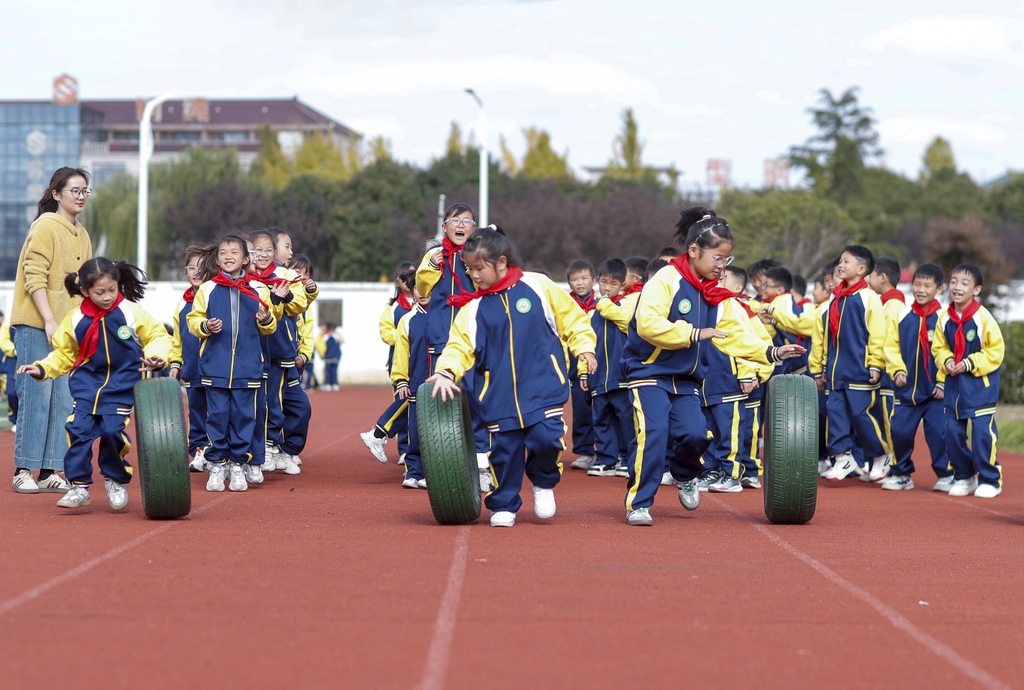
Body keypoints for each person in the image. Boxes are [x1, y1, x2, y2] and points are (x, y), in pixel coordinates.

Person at [619, 208, 804, 526]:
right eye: (717, 258)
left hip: (687, 380)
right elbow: (646, 324)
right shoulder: (666, 279)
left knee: (696, 435)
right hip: (647, 372)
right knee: (655, 431)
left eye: (726, 260)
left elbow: (735, 337)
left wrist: (772, 352)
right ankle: (639, 504)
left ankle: (684, 473)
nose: (722, 266)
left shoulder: (717, 296)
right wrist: (691, 334)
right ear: (694, 251)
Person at [426, 229, 597, 528]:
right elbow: (458, 346)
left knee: (546, 439)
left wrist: (583, 347)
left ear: (501, 262)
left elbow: (572, 317)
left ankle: (543, 482)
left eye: (479, 268)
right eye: (469, 269)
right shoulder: (473, 308)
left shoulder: (537, 285)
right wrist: (445, 371)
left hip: (544, 386)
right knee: (504, 453)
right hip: (497, 396)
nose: (473, 275)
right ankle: (504, 503)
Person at [16, 258, 171, 510]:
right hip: (87, 386)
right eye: (100, 292)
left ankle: (114, 479)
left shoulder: (131, 312)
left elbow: (156, 335)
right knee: (78, 433)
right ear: (85, 291)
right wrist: (42, 367)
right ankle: (78, 486)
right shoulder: (75, 319)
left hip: (122, 386)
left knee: (112, 432)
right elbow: (64, 354)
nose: (108, 296)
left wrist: (157, 357)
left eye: (112, 289)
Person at [12, 167, 94, 494]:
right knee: (36, 396)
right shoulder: (45, 226)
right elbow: (34, 276)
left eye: (85, 191)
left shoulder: (83, 234)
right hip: (37, 324)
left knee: (63, 400)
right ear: (56, 194)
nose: (80, 196)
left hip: (68, 331)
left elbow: (84, 286)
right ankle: (23, 469)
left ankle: (49, 470)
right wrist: (48, 319)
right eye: (74, 190)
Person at [187, 235, 277, 492]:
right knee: (216, 417)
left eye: (234, 252)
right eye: (223, 253)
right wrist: (206, 326)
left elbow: (270, 327)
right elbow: (194, 321)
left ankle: (238, 464)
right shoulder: (207, 289)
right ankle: (217, 465)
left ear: (246, 259)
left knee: (243, 417)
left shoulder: (259, 290)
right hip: (214, 367)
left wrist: (264, 319)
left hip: (248, 368)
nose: (228, 256)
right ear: (217, 260)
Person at [416, 203, 491, 488]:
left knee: (477, 401)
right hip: (441, 341)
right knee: (440, 403)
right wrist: (433, 265)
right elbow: (422, 289)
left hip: (473, 342)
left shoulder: (479, 256)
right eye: (455, 220)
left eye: (467, 221)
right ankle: (436, 467)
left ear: (475, 228)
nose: (461, 225)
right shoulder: (434, 257)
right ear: (444, 226)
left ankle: (482, 464)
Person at [810, 245, 890, 483]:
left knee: (862, 416)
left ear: (862, 269)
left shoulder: (868, 298)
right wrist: (823, 368)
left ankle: (881, 456)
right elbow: (828, 337)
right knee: (836, 415)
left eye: (846, 262)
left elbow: (878, 333)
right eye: (840, 262)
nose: (841, 265)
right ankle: (842, 457)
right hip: (836, 371)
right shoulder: (836, 297)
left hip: (860, 370)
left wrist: (875, 364)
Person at [932, 264, 1005, 498]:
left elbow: (996, 350)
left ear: (976, 289)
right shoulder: (945, 318)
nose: (957, 287)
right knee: (952, 434)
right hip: (955, 390)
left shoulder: (983, 317)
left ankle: (990, 479)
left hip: (981, 388)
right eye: (953, 282)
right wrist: (947, 361)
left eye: (964, 283)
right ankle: (964, 476)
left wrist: (971, 363)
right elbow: (938, 348)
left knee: (983, 434)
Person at [881, 263, 952, 491]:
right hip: (906, 390)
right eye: (917, 284)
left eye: (927, 285)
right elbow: (890, 346)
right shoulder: (902, 315)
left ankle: (947, 474)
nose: (921, 290)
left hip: (935, 393)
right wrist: (897, 370)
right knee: (899, 432)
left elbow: (949, 352)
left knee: (938, 434)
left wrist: (943, 381)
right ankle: (902, 473)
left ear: (939, 288)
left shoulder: (945, 318)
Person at [250, 229, 315, 475]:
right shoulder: (245, 278)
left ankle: (280, 448)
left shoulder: (285, 276)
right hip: (253, 354)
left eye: (269, 250)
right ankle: (250, 452)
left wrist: (285, 295)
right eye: (259, 250)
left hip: (280, 353)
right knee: (258, 405)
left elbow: (301, 305)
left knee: (289, 405)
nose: (264, 255)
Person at [360, 269, 418, 463]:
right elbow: (388, 333)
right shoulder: (393, 308)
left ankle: (383, 435)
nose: (411, 284)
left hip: (418, 358)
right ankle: (403, 448)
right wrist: (408, 340)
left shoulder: (423, 305)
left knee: (415, 402)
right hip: (402, 359)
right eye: (407, 280)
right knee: (408, 399)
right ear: (398, 282)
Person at [169, 245, 218, 472]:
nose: (196, 272)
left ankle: (219, 452)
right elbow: (177, 339)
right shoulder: (181, 304)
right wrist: (175, 363)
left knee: (218, 412)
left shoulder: (216, 297)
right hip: (192, 371)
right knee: (196, 412)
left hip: (217, 370)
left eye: (201, 267)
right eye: (191, 267)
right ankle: (199, 451)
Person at [587, 259, 633, 479]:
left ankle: (626, 457)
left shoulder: (625, 306)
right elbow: (585, 342)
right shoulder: (591, 312)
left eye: (613, 284)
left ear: (622, 285)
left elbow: (625, 322)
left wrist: (604, 304)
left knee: (626, 418)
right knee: (601, 418)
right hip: (598, 376)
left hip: (621, 376)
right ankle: (606, 458)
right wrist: (583, 370)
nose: (606, 288)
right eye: (603, 282)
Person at [389, 290, 431, 488]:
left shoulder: (448, 316)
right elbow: (401, 354)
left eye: (427, 287)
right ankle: (413, 472)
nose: (422, 292)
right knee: (415, 433)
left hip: (444, 387)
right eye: (417, 287)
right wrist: (401, 380)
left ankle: (435, 474)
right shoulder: (408, 319)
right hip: (416, 387)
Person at [566, 259, 597, 470]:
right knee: (581, 410)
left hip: (600, 368)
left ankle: (609, 451)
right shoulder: (566, 306)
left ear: (594, 280)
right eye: (574, 279)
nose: (579, 283)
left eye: (584, 278)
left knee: (606, 411)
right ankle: (585, 451)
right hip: (576, 369)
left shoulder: (604, 304)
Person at [0, 318, 18, 432]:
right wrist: (14, 350)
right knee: (12, 392)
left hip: (32, 360)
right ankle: (15, 419)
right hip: (13, 361)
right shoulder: (9, 321)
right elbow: (3, 340)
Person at [322, 323, 342, 390]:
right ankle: (334, 384)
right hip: (334, 357)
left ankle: (329, 384)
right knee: (333, 371)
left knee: (329, 372)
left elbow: (321, 347)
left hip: (329, 357)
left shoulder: (325, 337)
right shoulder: (336, 336)